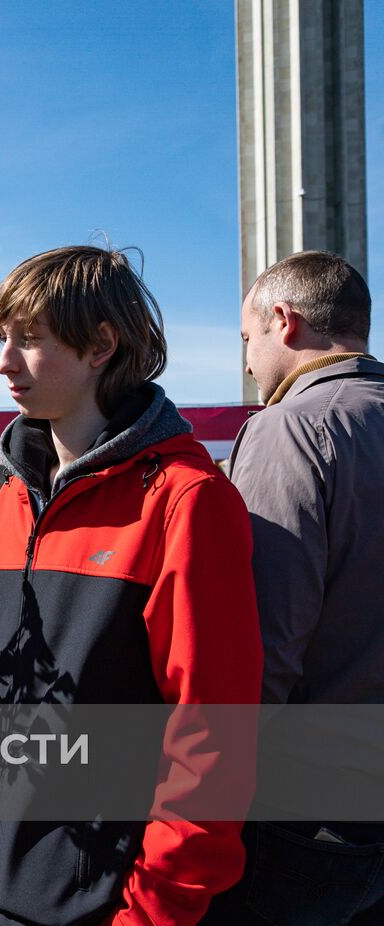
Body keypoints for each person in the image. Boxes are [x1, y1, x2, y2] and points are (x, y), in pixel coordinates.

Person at [0, 245, 263, 926]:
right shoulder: (14, 499)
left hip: (110, 907)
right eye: (2, 339)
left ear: (102, 344)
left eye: (30, 339)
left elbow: (211, 741)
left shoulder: (187, 500)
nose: (5, 362)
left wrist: (149, 914)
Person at [202, 251, 384, 924]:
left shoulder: (291, 429)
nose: (250, 363)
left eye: (248, 340)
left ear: (284, 321)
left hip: (308, 812)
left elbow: (262, 643)